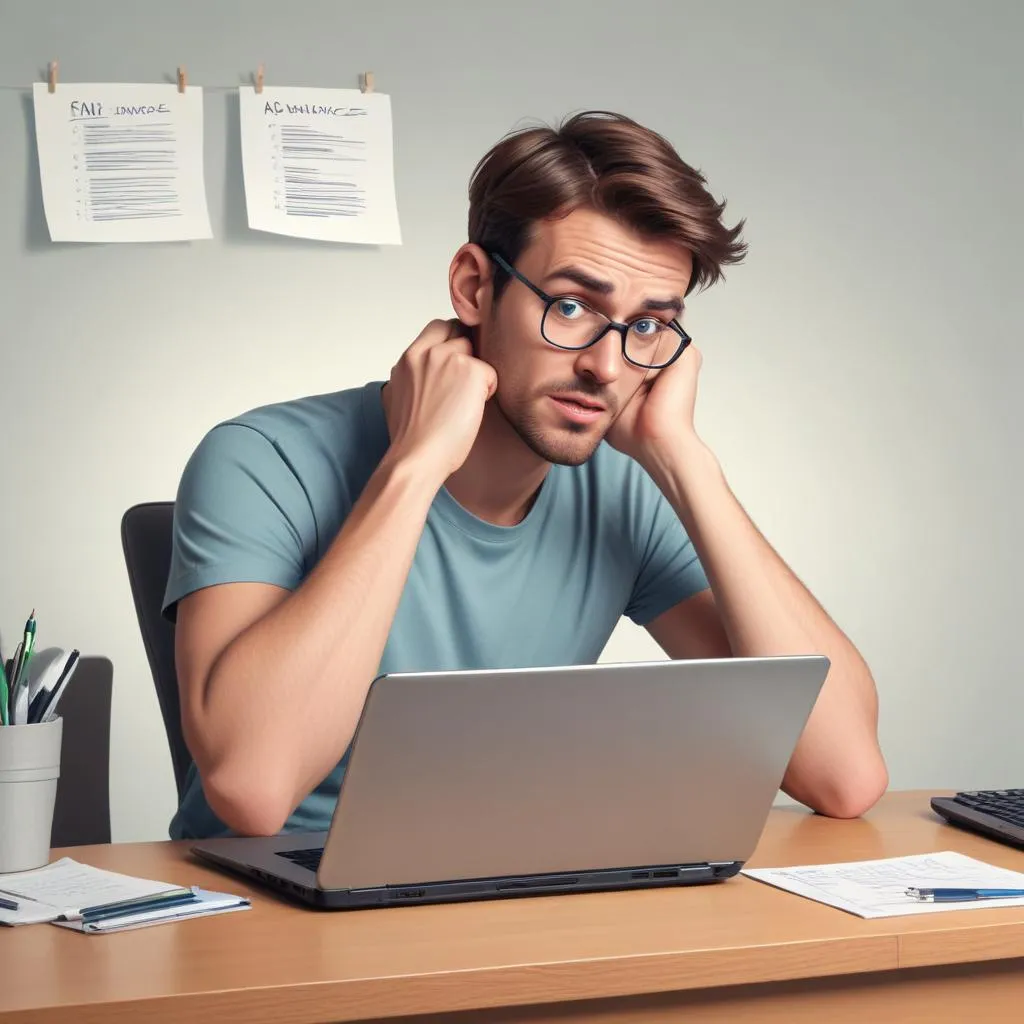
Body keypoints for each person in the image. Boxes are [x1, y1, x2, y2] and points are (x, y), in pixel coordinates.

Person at [163, 111, 887, 839]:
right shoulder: (261, 460)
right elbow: (252, 790)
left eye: (646, 327)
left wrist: (685, 462)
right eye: (572, 307)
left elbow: (843, 774)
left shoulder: (624, 492)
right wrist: (415, 466)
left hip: (498, 886)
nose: (607, 367)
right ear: (476, 287)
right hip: (273, 912)